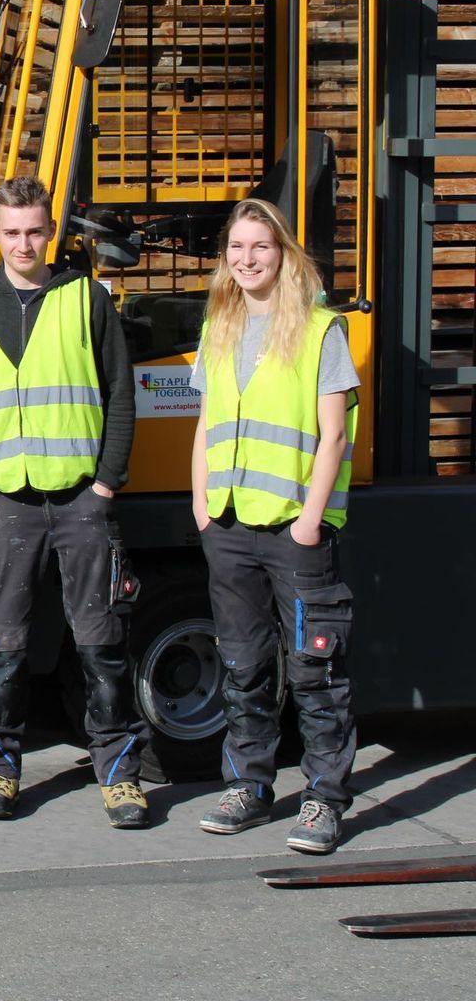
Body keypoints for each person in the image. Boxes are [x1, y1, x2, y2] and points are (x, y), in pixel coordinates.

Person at [0, 175, 150, 828]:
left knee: (102, 646)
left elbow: (120, 393)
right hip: (3, 503)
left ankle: (120, 777)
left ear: (50, 232)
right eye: (12, 232)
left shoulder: (85, 298)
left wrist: (107, 483)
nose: (24, 243)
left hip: (82, 498)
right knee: (0, 648)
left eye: (35, 231)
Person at [191, 197, 359, 855]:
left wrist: (312, 521)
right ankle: (249, 786)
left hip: (294, 531)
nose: (247, 258)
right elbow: (207, 424)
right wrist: (202, 507)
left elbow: (335, 434)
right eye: (236, 248)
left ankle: (323, 799)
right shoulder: (221, 326)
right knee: (242, 666)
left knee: (316, 671)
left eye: (259, 246)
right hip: (230, 526)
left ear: (282, 253)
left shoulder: (320, 330)